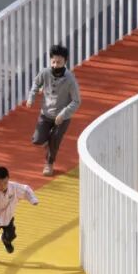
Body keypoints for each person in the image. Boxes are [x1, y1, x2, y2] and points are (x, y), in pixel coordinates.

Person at [26, 43, 81, 176]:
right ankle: (48, 143)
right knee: (37, 140)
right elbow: (36, 83)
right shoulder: (45, 72)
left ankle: (49, 164)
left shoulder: (70, 79)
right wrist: (31, 97)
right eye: (53, 62)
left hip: (62, 118)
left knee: (55, 140)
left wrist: (63, 114)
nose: (55, 65)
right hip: (45, 114)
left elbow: (76, 101)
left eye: (59, 62)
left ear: (65, 62)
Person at [0, 165, 38, 264]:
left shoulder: (14, 187)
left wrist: (33, 199)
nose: (2, 186)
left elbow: (26, 189)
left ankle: (5, 239)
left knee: (11, 235)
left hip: (7, 217)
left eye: (5, 183)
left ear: (8, 179)